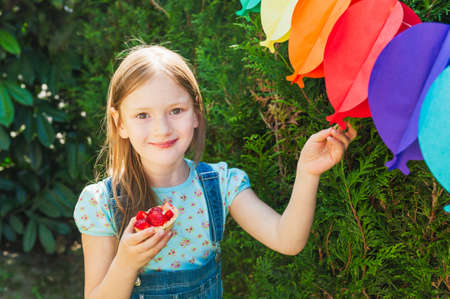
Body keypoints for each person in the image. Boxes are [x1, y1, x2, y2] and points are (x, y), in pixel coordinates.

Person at [73, 44, 357, 299]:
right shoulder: (102, 204)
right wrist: (126, 263)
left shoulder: (220, 185)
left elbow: (287, 240)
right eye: (142, 115)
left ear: (196, 112)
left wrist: (308, 172)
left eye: (176, 110)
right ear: (120, 122)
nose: (162, 128)